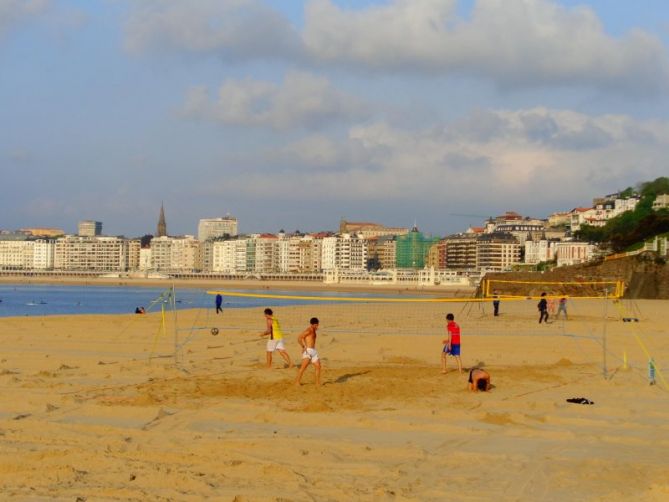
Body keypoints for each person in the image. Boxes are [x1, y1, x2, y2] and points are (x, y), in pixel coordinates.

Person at [295, 317, 321, 386]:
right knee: (303, 368)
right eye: (315, 325)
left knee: (318, 366)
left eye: (317, 325)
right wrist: (303, 346)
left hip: (313, 351)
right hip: (308, 351)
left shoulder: (314, 330)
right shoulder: (308, 330)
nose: (317, 326)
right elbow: (299, 338)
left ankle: (317, 383)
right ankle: (297, 382)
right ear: (311, 324)